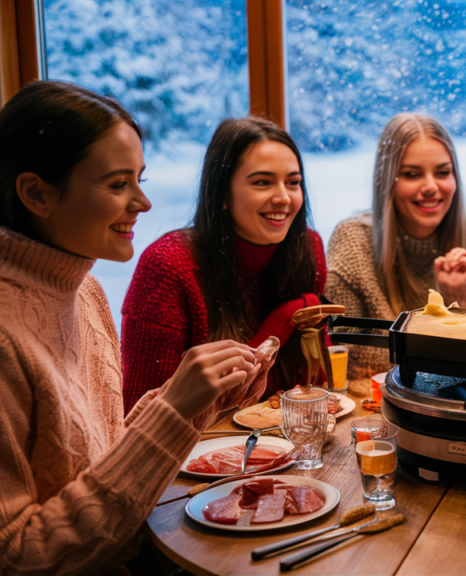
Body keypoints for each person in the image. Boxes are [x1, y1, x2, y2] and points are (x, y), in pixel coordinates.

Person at [0, 81, 271, 575]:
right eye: (119, 183)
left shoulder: (84, 290)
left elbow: (100, 462)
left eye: (140, 179)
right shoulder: (6, 338)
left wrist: (201, 400)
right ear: (37, 193)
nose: (143, 202)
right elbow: (19, 556)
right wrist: (171, 408)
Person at [121, 117, 327, 413]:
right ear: (222, 194)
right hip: (191, 453)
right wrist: (287, 317)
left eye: (293, 183)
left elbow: (315, 383)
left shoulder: (308, 248)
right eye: (263, 182)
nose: (283, 198)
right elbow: (141, 414)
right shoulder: (167, 266)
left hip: (288, 443)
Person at [325, 113, 466, 376]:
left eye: (443, 172)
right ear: (384, 181)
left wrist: (458, 302)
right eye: (412, 174)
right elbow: (344, 356)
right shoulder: (353, 242)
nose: (430, 187)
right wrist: (442, 339)